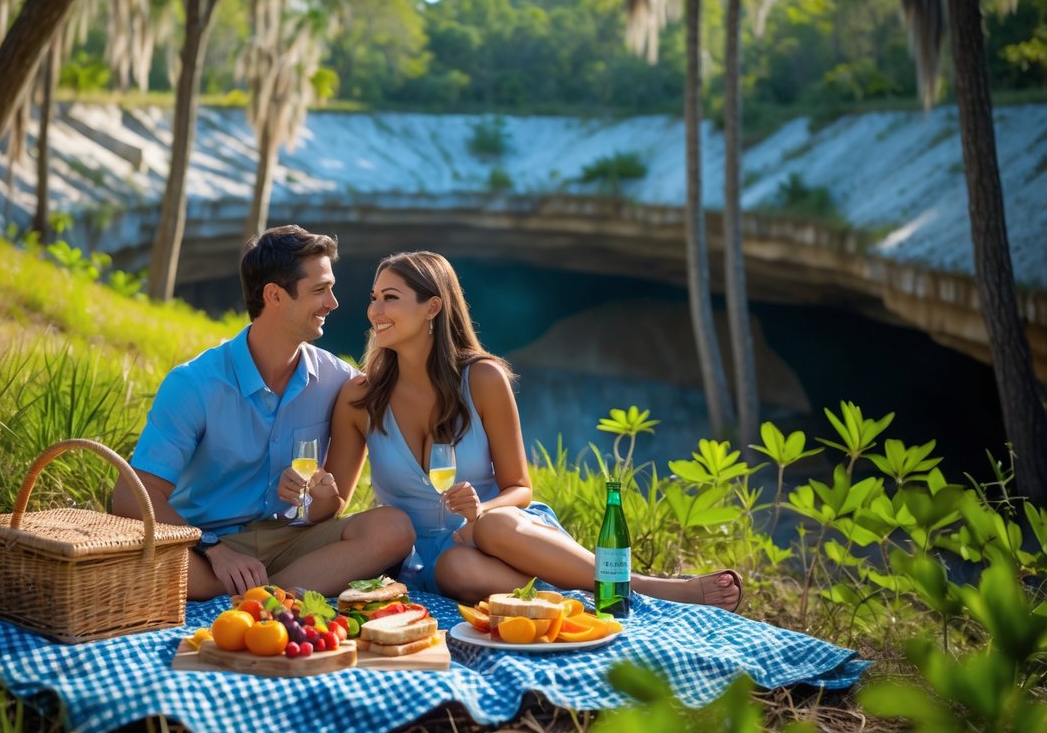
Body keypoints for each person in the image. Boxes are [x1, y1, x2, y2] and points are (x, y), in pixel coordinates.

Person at [325, 251, 743, 610]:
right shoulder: (360, 397)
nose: (375, 312)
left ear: (432, 307)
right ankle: (572, 592)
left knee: (494, 525)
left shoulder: (484, 378)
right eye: (374, 298)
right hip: (432, 560)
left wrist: (480, 511)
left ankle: (647, 588)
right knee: (454, 569)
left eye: (390, 299)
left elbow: (519, 487)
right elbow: (334, 501)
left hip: (504, 534)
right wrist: (305, 495)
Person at [113, 226, 415, 600]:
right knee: (141, 561)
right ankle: (273, 589)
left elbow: (330, 508)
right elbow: (130, 496)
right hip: (206, 546)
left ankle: (265, 595)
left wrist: (319, 498)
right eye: (319, 290)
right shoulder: (194, 384)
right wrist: (214, 550)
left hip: (295, 544)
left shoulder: (339, 381)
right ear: (273, 295)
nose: (333, 302)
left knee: (394, 529)